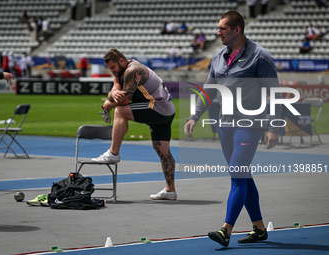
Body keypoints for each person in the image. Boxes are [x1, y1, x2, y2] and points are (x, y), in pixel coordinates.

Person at [184, 11, 282, 247]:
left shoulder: (260, 56)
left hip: (249, 125)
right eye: (218, 28)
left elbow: (274, 93)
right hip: (225, 125)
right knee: (243, 176)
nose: (218, 33)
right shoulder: (218, 56)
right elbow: (208, 89)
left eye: (222, 28)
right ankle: (259, 228)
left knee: (237, 177)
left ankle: (226, 230)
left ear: (237, 29)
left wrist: (274, 126)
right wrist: (194, 116)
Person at [92, 48, 177, 200]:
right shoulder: (120, 71)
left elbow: (124, 101)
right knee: (162, 150)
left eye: (113, 67)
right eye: (110, 68)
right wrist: (113, 94)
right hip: (166, 110)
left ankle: (113, 153)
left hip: (157, 107)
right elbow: (115, 88)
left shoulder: (133, 70)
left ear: (121, 61)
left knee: (120, 111)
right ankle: (170, 191)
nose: (112, 71)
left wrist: (109, 103)